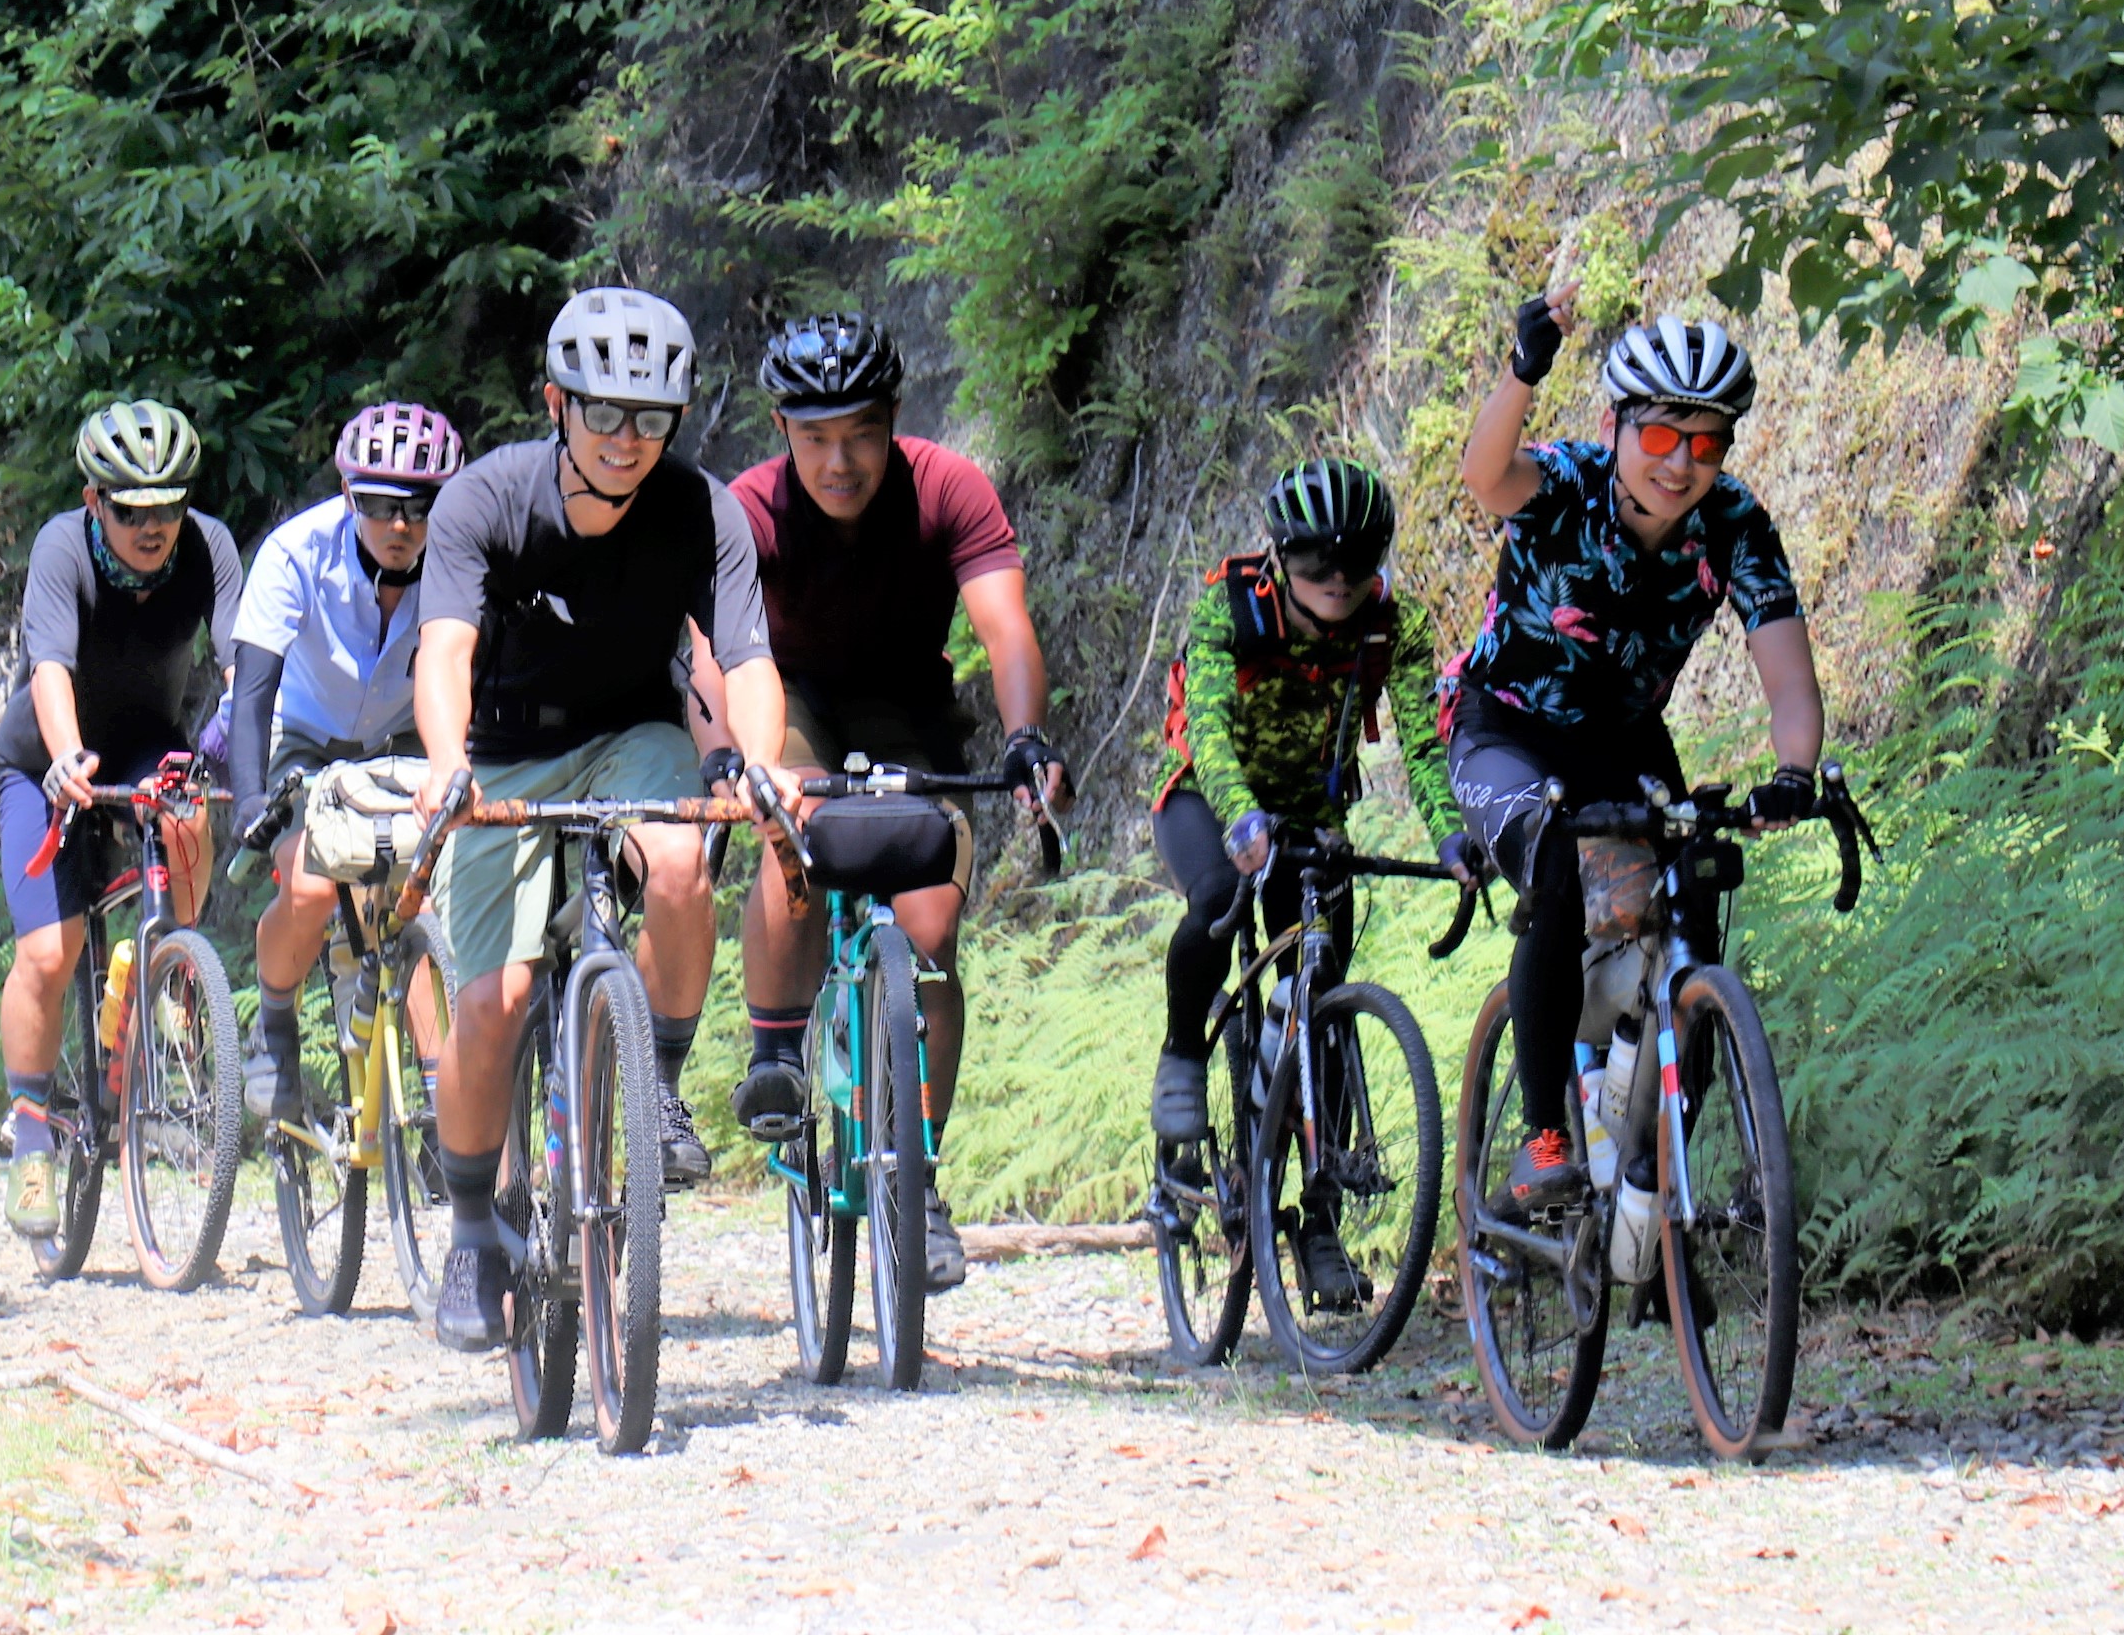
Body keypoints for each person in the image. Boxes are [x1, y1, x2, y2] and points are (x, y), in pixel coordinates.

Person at [411, 288, 782, 1354]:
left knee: (680, 864)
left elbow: (747, 658)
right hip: (502, 754)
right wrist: (447, 768)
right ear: (556, 404)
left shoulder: (702, 510)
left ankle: (656, 1083)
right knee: (493, 1000)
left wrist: (759, 768)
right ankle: (474, 1229)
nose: (627, 439)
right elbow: (444, 652)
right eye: (604, 413)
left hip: (635, 733)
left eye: (650, 418)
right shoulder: (484, 500)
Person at [1448, 300, 1824, 1218]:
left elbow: (1787, 675)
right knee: (1553, 872)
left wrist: (1794, 774)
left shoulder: (1734, 524)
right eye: (1659, 435)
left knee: (1692, 902)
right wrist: (1523, 369)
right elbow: (1486, 477)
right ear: (1616, 424)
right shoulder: (1567, 483)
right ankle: (1544, 1135)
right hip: (1506, 728)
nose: (1679, 464)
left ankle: (1656, 1174)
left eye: (1706, 444)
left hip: (1622, 739)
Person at [721, 312, 1065, 1298]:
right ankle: (776, 1053)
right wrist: (740, 760)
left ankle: (919, 1177)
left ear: (895, 421)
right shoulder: (748, 508)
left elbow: (1005, 628)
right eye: (816, 437)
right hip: (787, 696)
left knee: (932, 931)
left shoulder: (948, 487)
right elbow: (716, 647)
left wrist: (1026, 737)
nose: (841, 461)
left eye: (862, 433)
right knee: (790, 828)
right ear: (783, 430)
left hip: (911, 711)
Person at [1146, 457, 1449, 1296]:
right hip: (1208, 796)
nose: (1338, 579)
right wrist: (1242, 817)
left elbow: (1424, 744)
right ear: (1280, 556)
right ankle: (1183, 1055)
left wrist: (1455, 837)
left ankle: (1320, 1221)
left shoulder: (1391, 626)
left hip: (1311, 815)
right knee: (1216, 900)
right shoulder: (1234, 607)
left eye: (1358, 559)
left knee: (1320, 998)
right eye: (1317, 560)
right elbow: (1207, 727)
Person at [0, 398, 245, 1241]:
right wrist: (66, 757)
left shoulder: (207, 548)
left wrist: (249, 742)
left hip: (143, 742)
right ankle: (32, 1135)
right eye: (131, 509)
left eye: (167, 506)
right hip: (45, 758)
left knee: (188, 810)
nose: (152, 525)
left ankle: (172, 972)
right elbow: (50, 668)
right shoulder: (61, 547)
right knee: (48, 952)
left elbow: (245, 663)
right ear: (94, 501)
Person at [226, 401, 467, 1125]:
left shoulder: (462, 556)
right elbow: (253, 690)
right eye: (380, 506)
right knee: (309, 883)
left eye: (420, 508)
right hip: (301, 733)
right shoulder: (295, 552)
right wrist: (250, 801)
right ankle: (274, 1027)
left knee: (418, 894)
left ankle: (439, 1098)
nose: (401, 526)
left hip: (400, 735)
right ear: (347, 495)